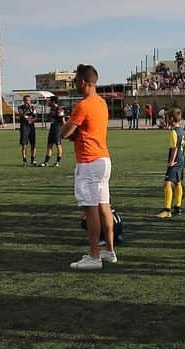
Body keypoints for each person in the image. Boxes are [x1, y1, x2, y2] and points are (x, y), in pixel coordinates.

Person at [61, 64, 114, 270]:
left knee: (91, 210)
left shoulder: (84, 105)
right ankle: (108, 251)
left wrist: (66, 129)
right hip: (102, 159)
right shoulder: (101, 103)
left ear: (83, 81)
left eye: (76, 80)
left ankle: (94, 256)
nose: (75, 83)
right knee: (104, 207)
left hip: (89, 161)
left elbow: (65, 132)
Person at [156, 108, 185, 219]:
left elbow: (174, 148)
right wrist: (184, 142)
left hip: (175, 160)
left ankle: (167, 210)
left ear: (171, 119)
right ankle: (178, 207)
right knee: (178, 183)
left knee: (167, 183)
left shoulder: (173, 132)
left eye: (167, 118)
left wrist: (171, 161)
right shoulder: (181, 130)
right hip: (182, 159)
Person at [44, 98, 66, 167]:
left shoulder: (59, 109)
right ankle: (46, 162)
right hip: (52, 128)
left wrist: (64, 129)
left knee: (58, 145)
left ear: (53, 102)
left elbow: (63, 120)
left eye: (50, 101)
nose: (48, 102)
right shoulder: (51, 109)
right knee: (49, 145)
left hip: (57, 129)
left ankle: (58, 161)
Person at [17, 95, 38, 166]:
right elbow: (21, 115)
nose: (27, 102)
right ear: (24, 101)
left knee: (33, 144)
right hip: (24, 127)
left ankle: (33, 159)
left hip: (31, 127)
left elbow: (35, 117)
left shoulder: (33, 107)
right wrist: (26, 109)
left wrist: (31, 120)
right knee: (24, 145)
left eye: (28, 100)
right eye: (26, 100)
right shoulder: (20, 107)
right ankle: (24, 160)